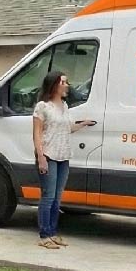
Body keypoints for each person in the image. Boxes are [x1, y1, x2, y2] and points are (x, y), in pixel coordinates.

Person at [32, 71, 94, 249]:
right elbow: (37, 134)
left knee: (57, 198)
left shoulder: (65, 106)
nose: (67, 86)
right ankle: (44, 235)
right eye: (64, 82)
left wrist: (82, 124)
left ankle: (53, 232)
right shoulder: (42, 107)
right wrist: (41, 157)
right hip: (48, 155)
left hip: (63, 156)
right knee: (48, 197)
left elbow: (66, 128)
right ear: (55, 85)